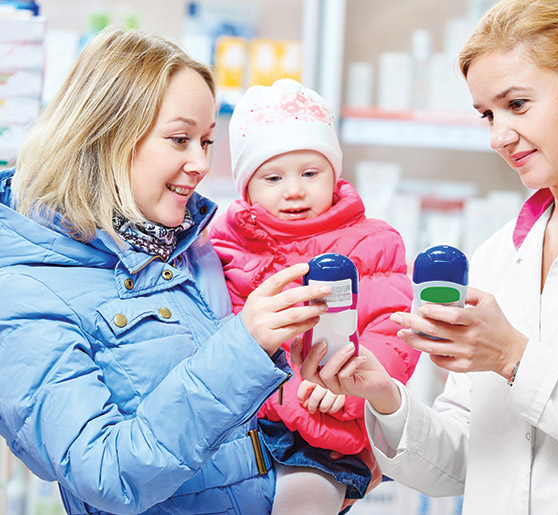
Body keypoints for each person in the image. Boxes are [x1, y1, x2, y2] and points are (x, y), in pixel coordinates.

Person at [0, 29, 333, 515]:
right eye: (180, 139)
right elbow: (104, 472)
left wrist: (328, 461)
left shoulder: (186, 248)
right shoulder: (26, 288)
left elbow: (229, 434)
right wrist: (244, 346)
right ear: (106, 132)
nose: (199, 163)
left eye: (205, 141)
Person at [296, 0, 558, 513]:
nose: (498, 136)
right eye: (487, 114)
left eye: (517, 105)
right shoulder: (496, 259)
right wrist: (382, 396)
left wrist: (514, 358)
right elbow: (464, 461)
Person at [209, 78, 420, 515]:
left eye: (310, 172)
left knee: (305, 498)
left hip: (325, 430)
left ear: (334, 173)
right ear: (246, 187)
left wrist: (352, 390)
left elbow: (391, 332)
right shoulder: (226, 247)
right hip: (239, 428)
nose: (294, 190)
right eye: (273, 177)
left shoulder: (371, 242)